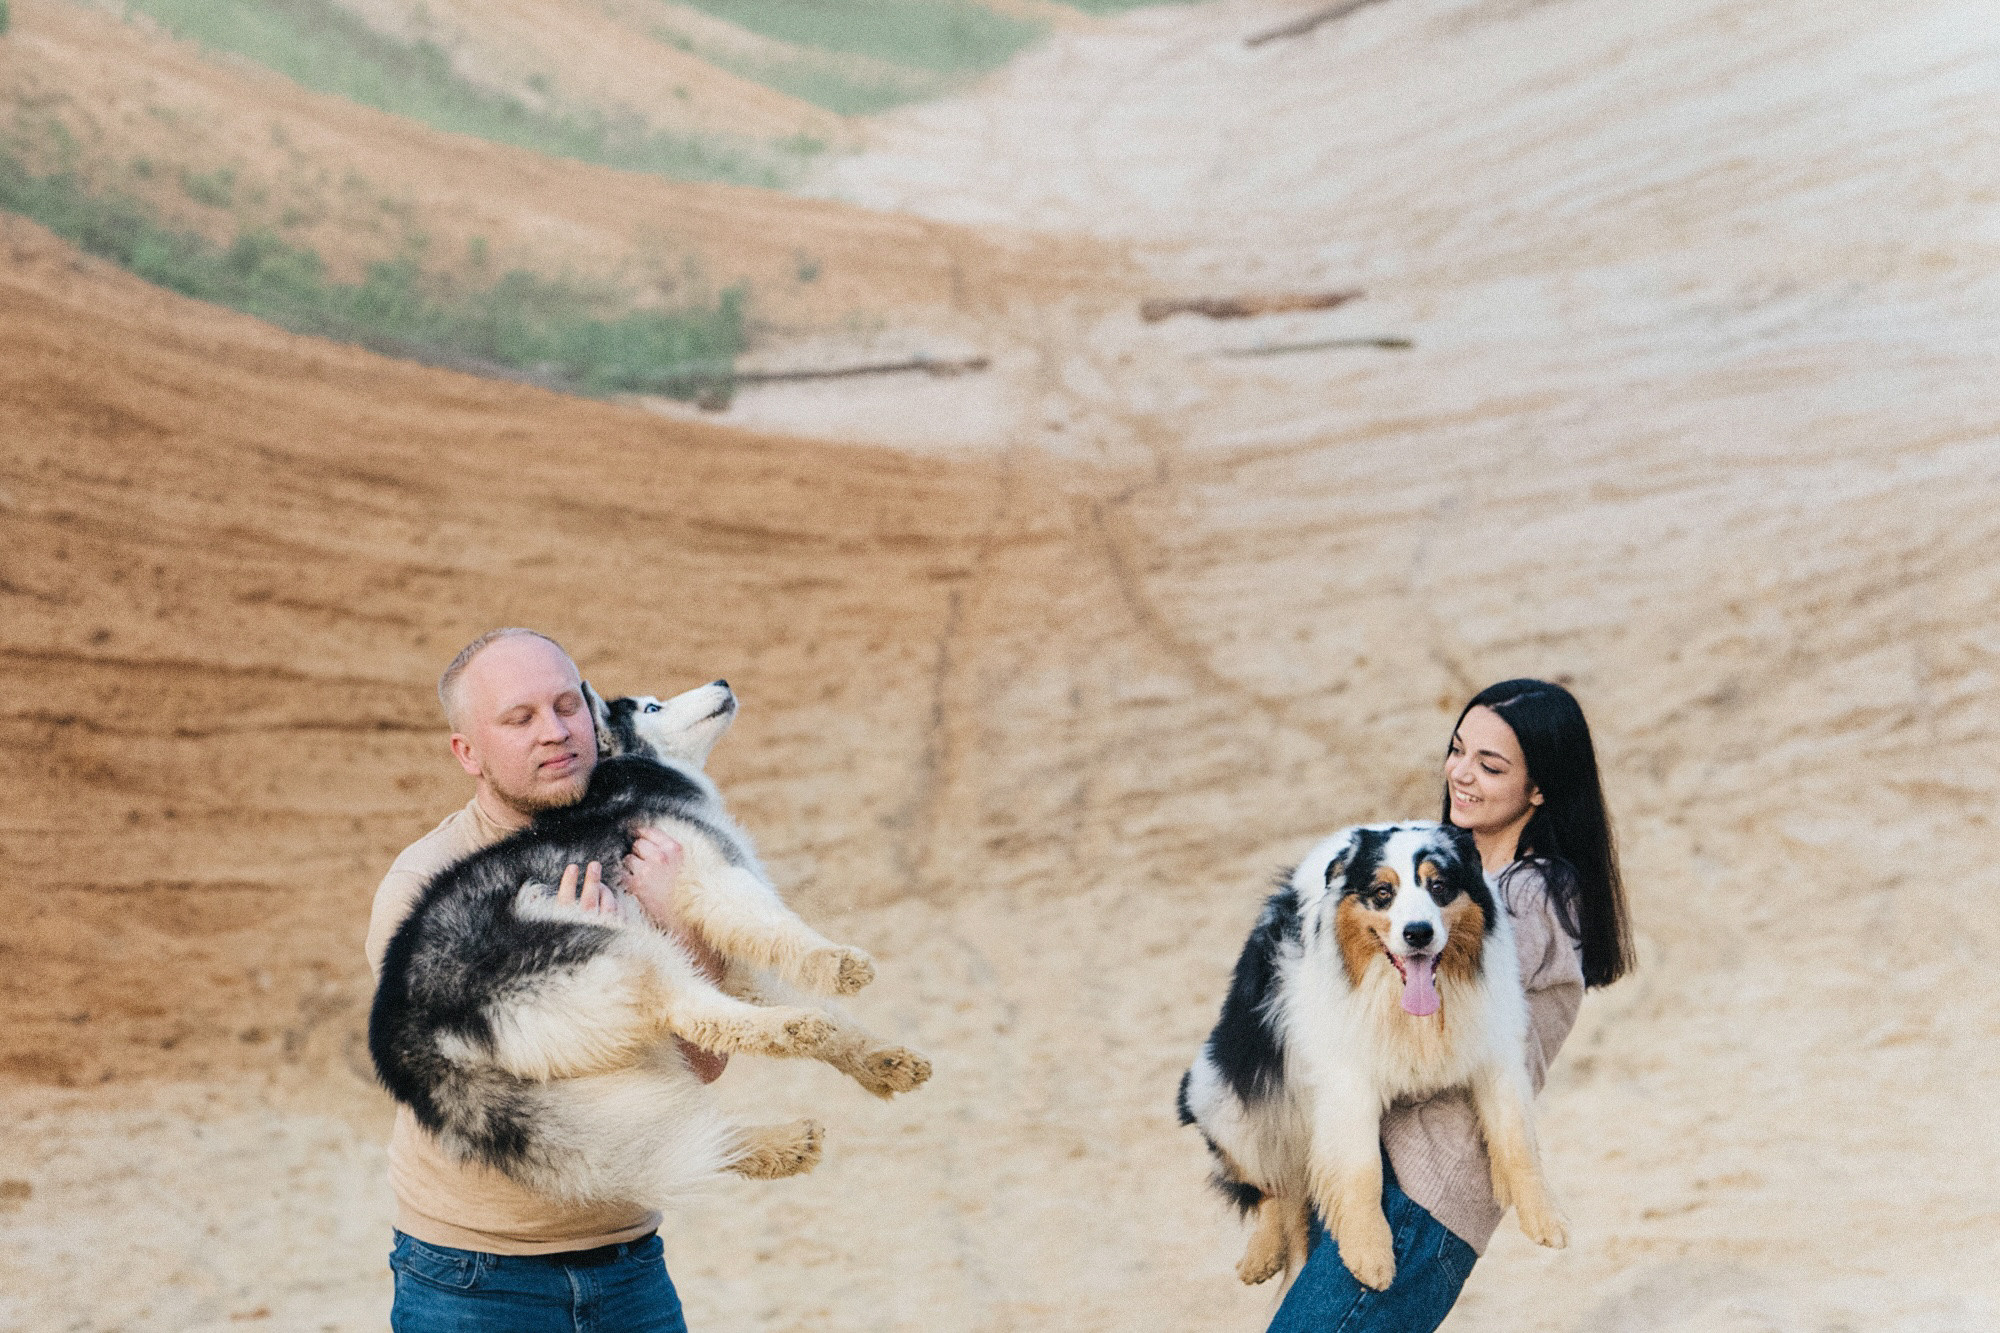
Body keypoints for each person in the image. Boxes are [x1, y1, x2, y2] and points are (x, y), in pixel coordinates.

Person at [364, 627, 726, 1332]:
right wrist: (590, 978)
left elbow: (704, 1060)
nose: (556, 732)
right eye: (519, 717)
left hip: (629, 1267)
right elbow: (498, 1095)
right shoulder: (422, 890)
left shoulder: (651, 855)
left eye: (569, 705)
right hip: (474, 1281)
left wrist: (678, 926)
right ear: (467, 751)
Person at [1267, 678, 1636, 1332]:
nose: (1462, 774)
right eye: (1458, 749)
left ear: (1540, 788)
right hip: (1363, 1172)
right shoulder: (1441, 874)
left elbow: (1418, 1036)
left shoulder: (1536, 895)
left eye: (1491, 766)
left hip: (1419, 1197)